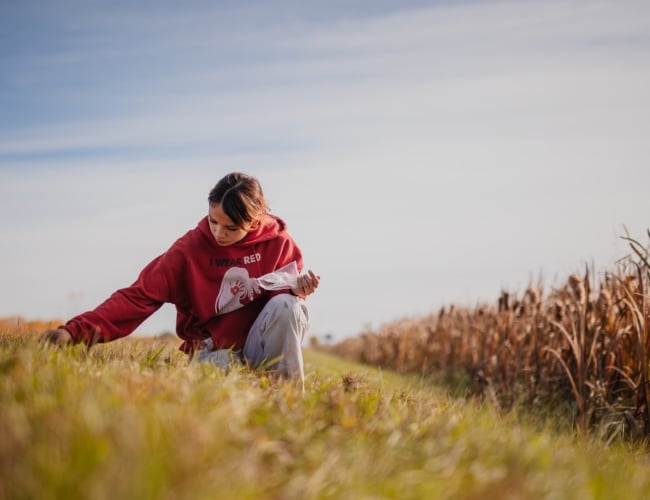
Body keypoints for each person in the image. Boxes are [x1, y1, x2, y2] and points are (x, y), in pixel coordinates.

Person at [43, 172, 320, 387]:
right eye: (213, 221)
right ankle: (247, 383)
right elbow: (137, 297)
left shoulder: (279, 243)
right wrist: (73, 331)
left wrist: (298, 290)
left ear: (255, 220)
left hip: (258, 345)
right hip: (214, 352)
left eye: (231, 228)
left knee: (289, 305)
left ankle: (285, 396)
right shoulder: (189, 250)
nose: (218, 233)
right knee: (226, 378)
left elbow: (279, 314)